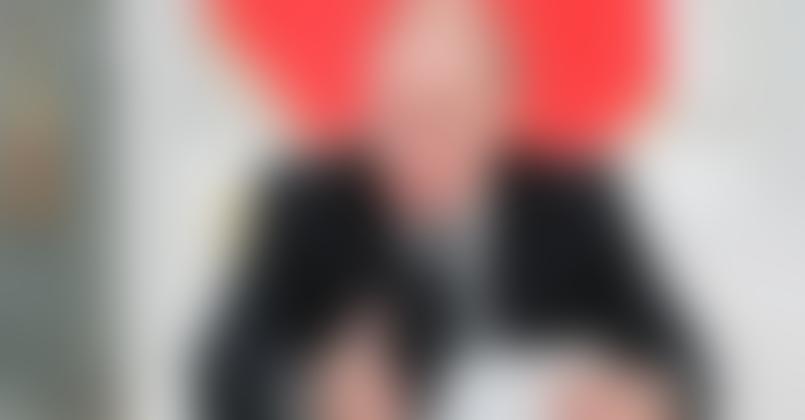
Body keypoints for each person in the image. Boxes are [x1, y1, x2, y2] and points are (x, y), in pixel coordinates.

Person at [203, 1, 704, 420]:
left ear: (500, 103)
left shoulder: (576, 201)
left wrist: (642, 397)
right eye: (405, 108)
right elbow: (227, 367)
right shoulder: (308, 204)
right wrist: (311, 396)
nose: (425, 140)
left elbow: (684, 360)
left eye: (448, 109)